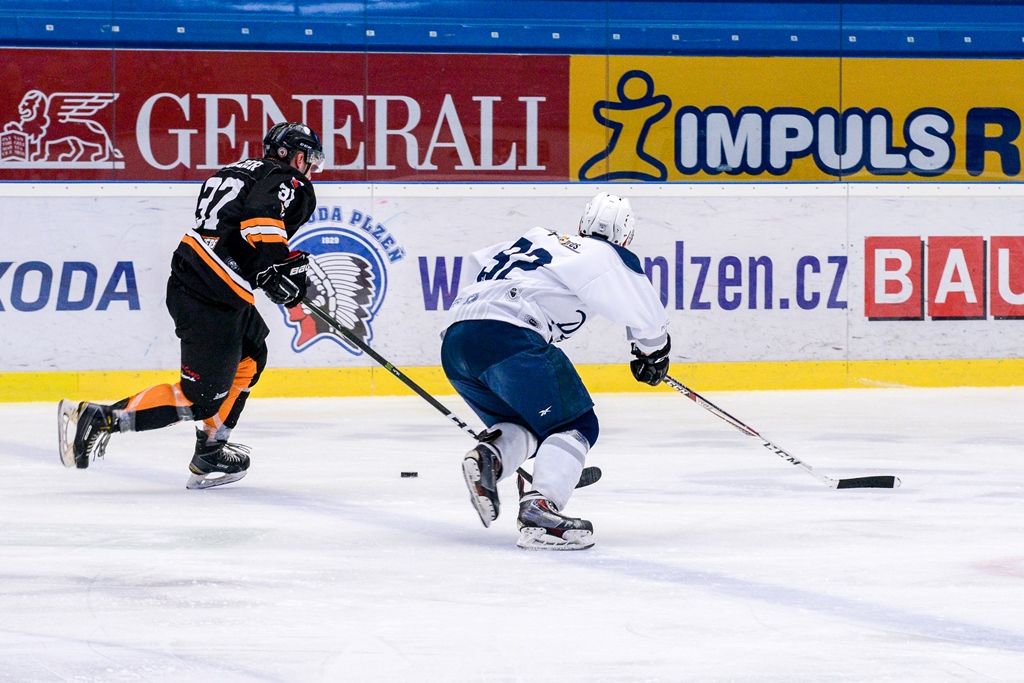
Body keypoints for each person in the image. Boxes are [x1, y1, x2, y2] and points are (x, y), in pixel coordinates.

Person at [57, 122, 323, 489]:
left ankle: (211, 450)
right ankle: (100, 418)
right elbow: (262, 216)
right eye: (308, 159)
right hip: (212, 290)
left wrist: (270, 269)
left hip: (201, 278)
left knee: (251, 353)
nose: (309, 168)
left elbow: (232, 228)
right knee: (198, 399)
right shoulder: (287, 179)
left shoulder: (235, 170)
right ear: (296, 156)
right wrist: (275, 265)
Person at [441, 193, 670, 550]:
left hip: (457, 342)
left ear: (582, 225)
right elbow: (646, 314)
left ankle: (490, 457)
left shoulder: (534, 238)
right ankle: (540, 510)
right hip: (510, 338)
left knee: (531, 426)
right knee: (576, 426)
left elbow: (475, 266)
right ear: (625, 237)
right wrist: (653, 355)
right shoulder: (606, 253)